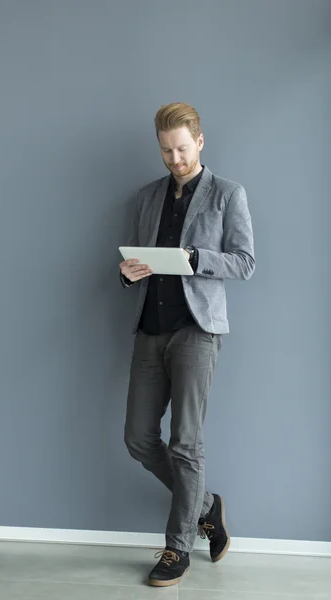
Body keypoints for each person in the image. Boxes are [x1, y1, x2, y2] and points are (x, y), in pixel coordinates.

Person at [119, 102, 255, 587]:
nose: (174, 159)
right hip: (150, 329)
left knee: (186, 445)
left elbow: (244, 262)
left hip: (197, 331)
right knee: (138, 438)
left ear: (200, 141)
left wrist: (196, 258)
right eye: (165, 150)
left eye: (181, 148)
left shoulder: (227, 194)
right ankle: (205, 506)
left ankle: (178, 549)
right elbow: (141, 257)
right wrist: (128, 272)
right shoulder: (148, 196)